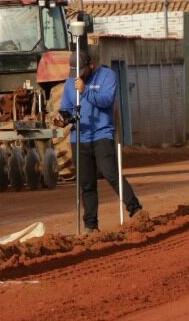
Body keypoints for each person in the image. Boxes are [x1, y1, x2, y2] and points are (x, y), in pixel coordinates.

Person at [57, 48, 142, 232]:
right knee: (86, 183)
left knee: (111, 174)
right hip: (80, 137)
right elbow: (67, 107)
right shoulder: (70, 83)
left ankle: (135, 210)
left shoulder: (107, 76)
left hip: (102, 134)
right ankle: (91, 225)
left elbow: (106, 100)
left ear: (91, 66)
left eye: (80, 72)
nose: (77, 76)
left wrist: (85, 91)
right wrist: (64, 118)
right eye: (74, 73)